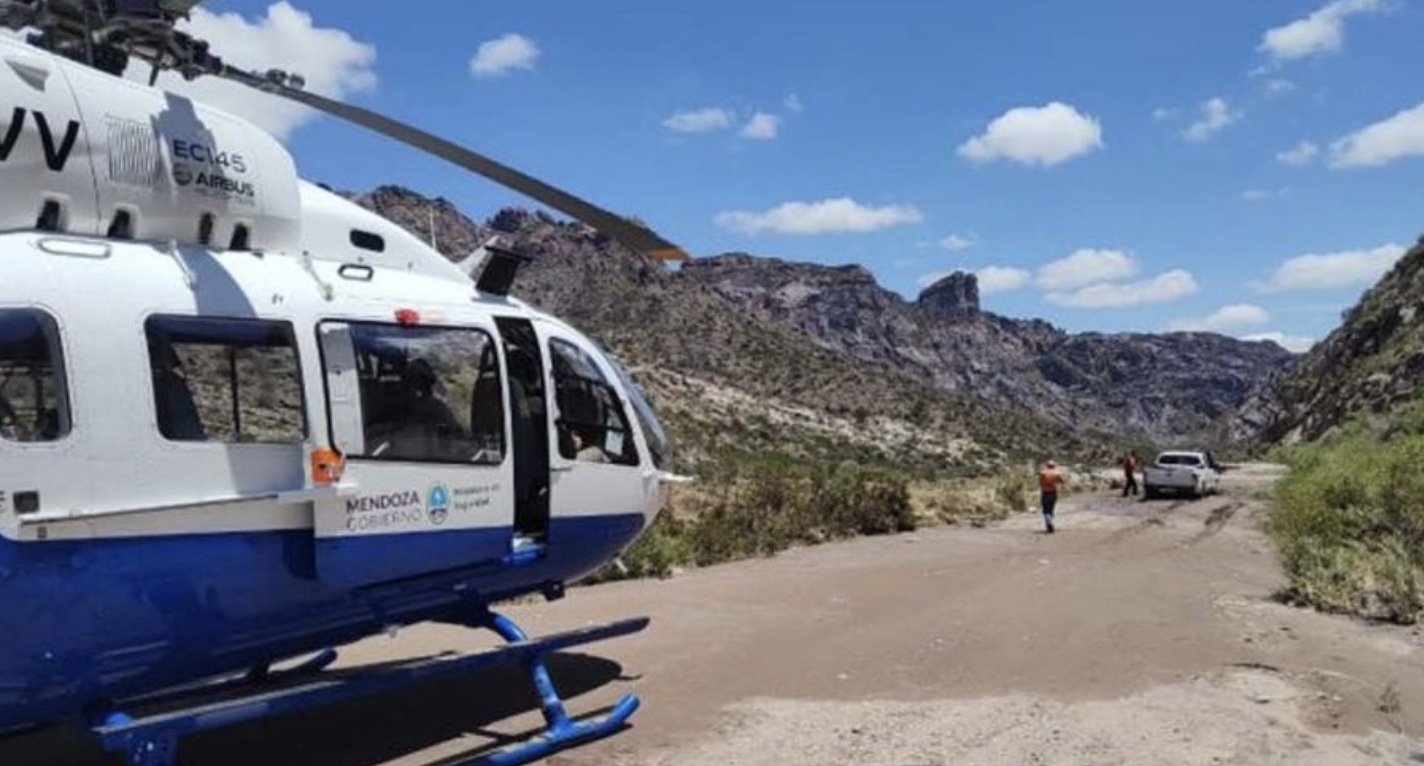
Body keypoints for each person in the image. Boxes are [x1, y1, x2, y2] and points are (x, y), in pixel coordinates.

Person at [1038, 460, 1065, 533]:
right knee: (1051, 508)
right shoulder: (1056, 473)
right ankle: (1049, 522)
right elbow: (1062, 481)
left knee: (1045, 509)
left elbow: (1040, 483)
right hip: (1053, 492)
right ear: (1054, 466)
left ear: (1047, 465)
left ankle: (1048, 522)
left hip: (1045, 492)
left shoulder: (1042, 473)